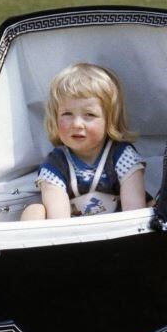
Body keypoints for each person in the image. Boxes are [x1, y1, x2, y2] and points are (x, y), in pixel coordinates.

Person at [21, 63, 146, 221]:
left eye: (89, 115)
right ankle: (26, 245)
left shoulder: (122, 156)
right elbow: (58, 220)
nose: (77, 124)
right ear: (55, 118)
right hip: (72, 235)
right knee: (34, 211)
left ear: (109, 120)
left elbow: (135, 213)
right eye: (67, 114)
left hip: (119, 230)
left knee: (154, 206)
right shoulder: (55, 164)